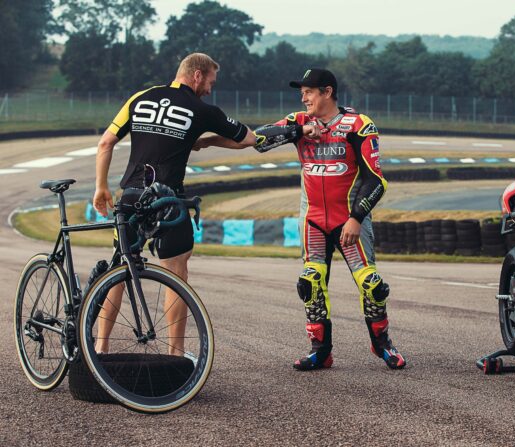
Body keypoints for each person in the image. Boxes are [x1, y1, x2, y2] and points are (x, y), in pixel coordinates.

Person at [196, 68, 406, 370]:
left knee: (372, 285)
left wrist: (356, 218)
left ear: (327, 92)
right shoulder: (298, 121)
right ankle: (321, 351)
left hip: (349, 222)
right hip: (313, 222)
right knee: (310, 284)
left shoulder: (359, 125)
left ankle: (382, 344)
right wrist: (297, 132)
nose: (303, 97)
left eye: (309, 91)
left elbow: (377, 181)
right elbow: (257, 140)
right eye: (302, 92)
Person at [92, 53, 257, 355]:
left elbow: (105, 143)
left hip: (130, 195)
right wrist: (206, 140)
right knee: (176, 271)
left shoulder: (141, 97)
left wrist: (101, 186)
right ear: (197, 75)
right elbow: (247, 139)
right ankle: (175, 354)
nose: (210, 88)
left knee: (119, 266)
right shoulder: (202, 109)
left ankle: (100, 349)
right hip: (167, 199)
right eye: (210, 81)